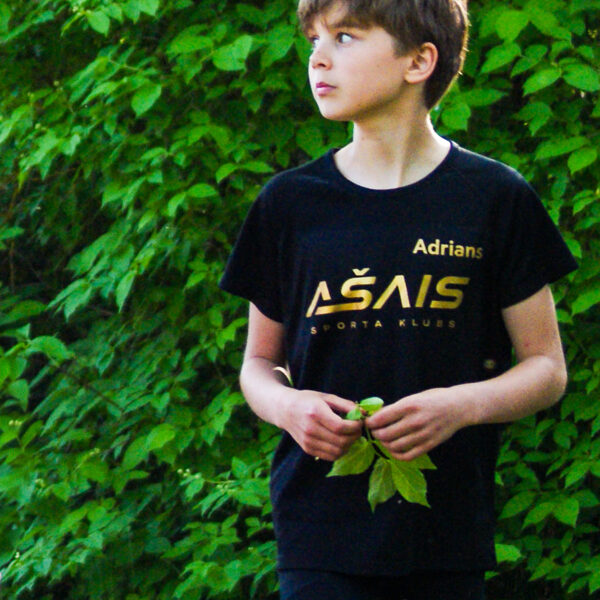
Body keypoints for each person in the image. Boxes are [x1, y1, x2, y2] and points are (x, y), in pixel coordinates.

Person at [219, 0, 578, 598]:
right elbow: (259, 363)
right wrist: (288, 407)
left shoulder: (495, 198)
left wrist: (462, 405)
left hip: (447, 535)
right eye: (313, 40)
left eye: (345, 37)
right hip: (318, 536)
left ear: (419, 61)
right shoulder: (289, 205)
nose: (318, 58)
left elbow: (547, 369)